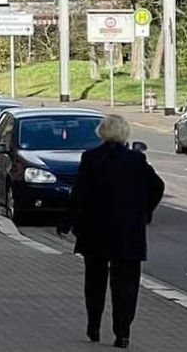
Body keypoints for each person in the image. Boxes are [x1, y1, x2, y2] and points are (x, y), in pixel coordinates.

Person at [62, 113, 165, 348]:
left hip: (95, 231)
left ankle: (94, 326)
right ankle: (122, 332)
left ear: (101, 132)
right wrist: (145, 211)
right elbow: (157, 186)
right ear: (125, 133)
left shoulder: (90, 159)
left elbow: (79, 194)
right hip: (128, 232)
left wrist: (68, 222)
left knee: (94, 281)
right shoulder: (136, 161)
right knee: (126, 284)